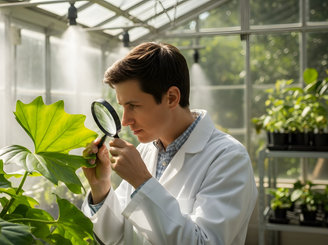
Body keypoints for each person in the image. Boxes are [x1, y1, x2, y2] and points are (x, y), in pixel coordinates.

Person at [81, 42, 257, 245]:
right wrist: (100, 187)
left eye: (134, 106)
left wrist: (142, 182)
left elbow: (204, 242)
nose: (125, 120)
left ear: (172, 98)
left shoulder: (229, 158)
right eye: (122, 106)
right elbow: (117, 236)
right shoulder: (145, 150)